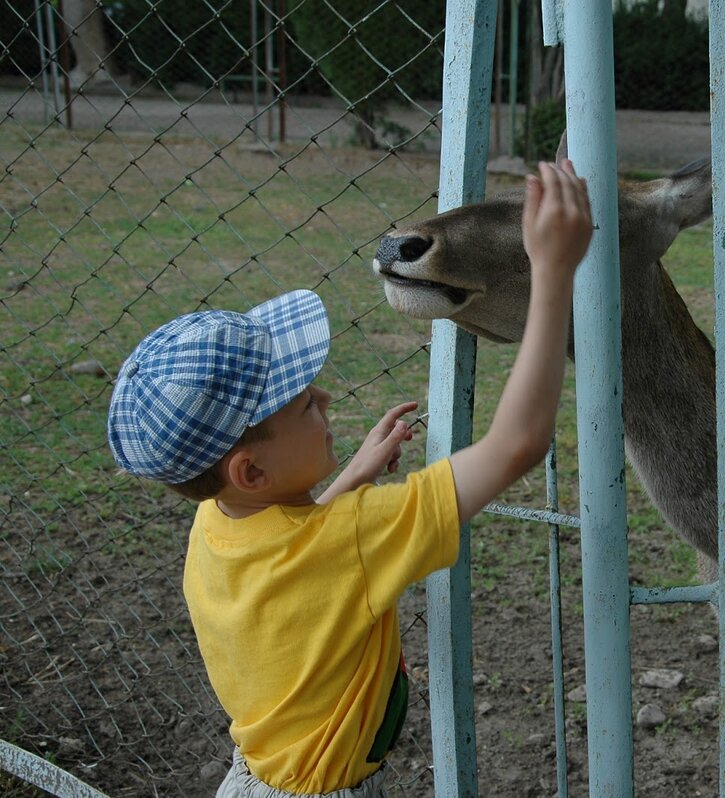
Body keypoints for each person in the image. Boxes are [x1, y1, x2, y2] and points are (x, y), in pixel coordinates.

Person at [106, 161, 593, 797]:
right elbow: (516, 446)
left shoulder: (215, 524)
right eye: (307, 403)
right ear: (250, 470)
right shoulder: (353, 538)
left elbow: (301, 561)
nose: (329, 399)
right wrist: (553, 270)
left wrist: (354, 475)